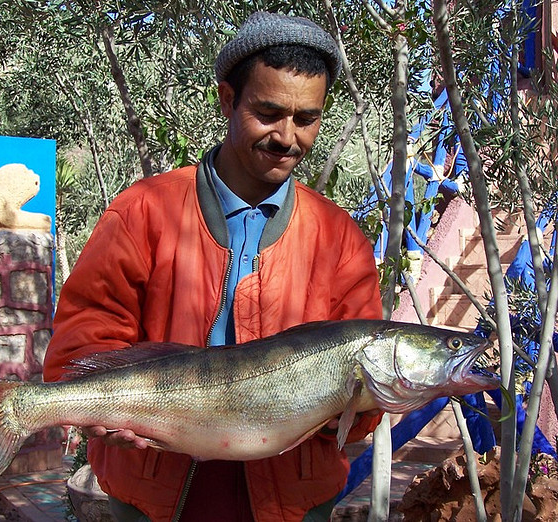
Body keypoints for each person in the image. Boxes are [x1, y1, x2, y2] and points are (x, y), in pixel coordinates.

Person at [43, 11, 383, 522]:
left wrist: (360, 402)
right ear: (228, 99)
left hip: (290, 499)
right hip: (153, 489)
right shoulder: (143, 213)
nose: (287, 137)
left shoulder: (339, 240)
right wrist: (111, 411)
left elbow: (363, 412)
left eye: (306, 118)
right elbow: (83, 341)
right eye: (268, 113)